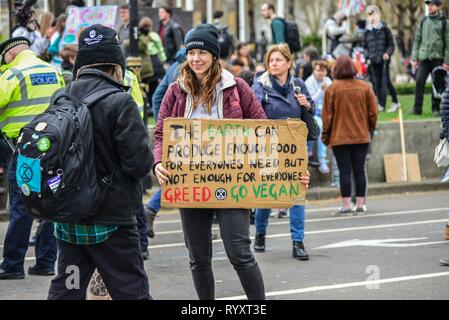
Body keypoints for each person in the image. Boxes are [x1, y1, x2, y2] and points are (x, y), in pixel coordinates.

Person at [153, 24, 267, 300]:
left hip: (232, 180)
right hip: (190, 182)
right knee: (198, 257)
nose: (196, 58)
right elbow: (160, 135)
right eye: (191, 52)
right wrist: (158, 163)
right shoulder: (175, 91)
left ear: (215, 56)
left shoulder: (237, 86)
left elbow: (263, 128)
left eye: (202, 52)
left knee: (239, 253)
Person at [47, 25, 152, 300]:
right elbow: (138, 164)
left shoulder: (61, 96)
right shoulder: (121, 101)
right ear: (115, 64)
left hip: (69, 216)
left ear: (81, 62)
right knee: (131, 289)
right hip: (112, 221)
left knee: (67, 288)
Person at [0, 37, 64, 280]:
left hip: (26, 149)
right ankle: (46, 262)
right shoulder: (54, 71)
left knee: (21, 206)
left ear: (10, 54)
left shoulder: (13, 73)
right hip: (53, 149)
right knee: (49, 204)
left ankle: (12, 264)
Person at [252, 43, 313, 260]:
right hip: (269, 147)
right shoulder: (260, 85)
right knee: (267, 195)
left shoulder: (298, 85)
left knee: (297, 193)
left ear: (289, 63)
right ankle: (260, 233)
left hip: (295, 148)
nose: (273, 64)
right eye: (271, 60)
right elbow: (252, 113)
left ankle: (298, 242)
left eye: (278, 60)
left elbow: (311, 110)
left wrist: (307, 104)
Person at [321, 55, 378, 216]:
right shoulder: (364, 87)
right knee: (359, 170)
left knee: (344, 171)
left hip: (339, 138)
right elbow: (373, 113)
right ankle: (360, 205)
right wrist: (369, 129)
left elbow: (327, 117)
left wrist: (326, 138)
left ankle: (346, 205)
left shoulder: (331, 89)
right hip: (361, 135)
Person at [144, 48, 186, 238]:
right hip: (187, 133)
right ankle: (151, 208)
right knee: (186, 176)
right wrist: (165, 122)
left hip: (178, 131)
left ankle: (151, 209)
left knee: (182, 176)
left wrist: (164, 121)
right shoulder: (185, 69)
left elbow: (156, 96)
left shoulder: (174, 66)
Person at [411, 0, 449, 116]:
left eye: (432, 4)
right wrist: (414, 58)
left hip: (438, 58)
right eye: (428, 5)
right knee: (419, 82)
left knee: (437, 84)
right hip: (424, 58)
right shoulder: (423, 21)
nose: (430, 7)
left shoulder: (444, 23)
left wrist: (447, 62)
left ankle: (436, 108)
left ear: (438, 6)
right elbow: (417, 40)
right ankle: (417, 109)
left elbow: (448, 43)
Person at [364, 5, 399, 113]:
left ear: (378, 15)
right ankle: (380, 104)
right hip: (373, 61)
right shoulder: (367, 32)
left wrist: (387, 53)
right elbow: (365, 47)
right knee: (376, 83)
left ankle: (395, 102)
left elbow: (391, 45)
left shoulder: (385, 29)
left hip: (384, 61)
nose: (372, 17)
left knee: (386, 82)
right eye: (369, 15)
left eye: (374, 14)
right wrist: (367, 56)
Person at [305, 60, 332, 174]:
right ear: (314, 71)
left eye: (323, 70)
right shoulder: (309, 82)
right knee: (319, 125)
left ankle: (317, 155)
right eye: (318, 70)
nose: (320, 73)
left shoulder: (328, 81)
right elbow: (310, 101)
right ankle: (321, 158)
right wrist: (321, 91)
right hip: (312, 113)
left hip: (325, 113)